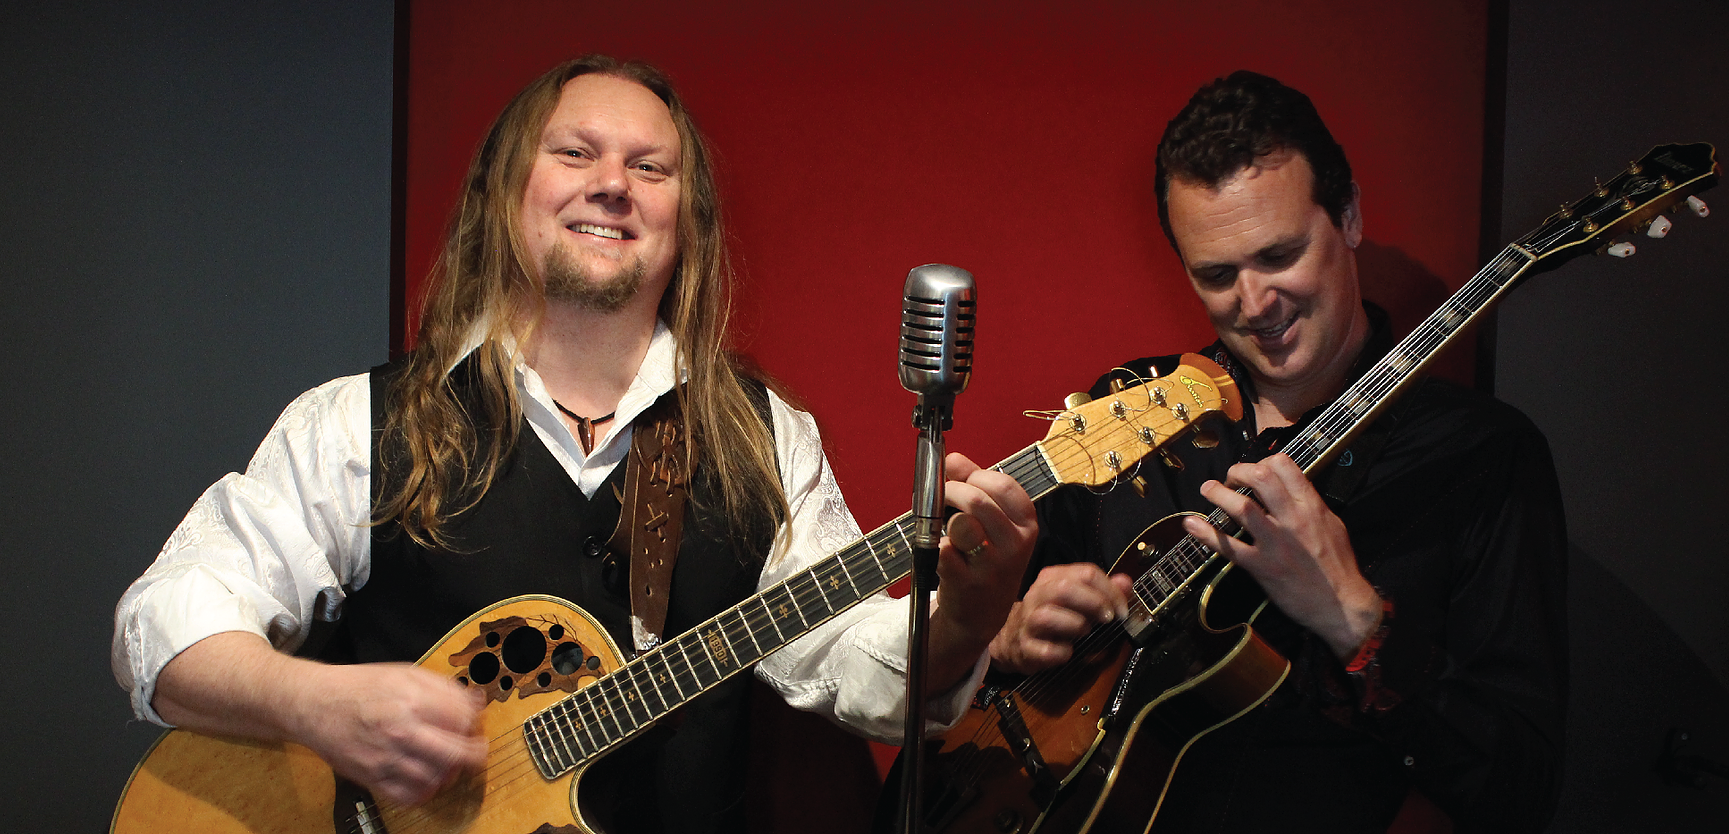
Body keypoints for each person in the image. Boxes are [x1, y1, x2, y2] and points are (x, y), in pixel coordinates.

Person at [112, 55, 1036, 833]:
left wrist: (962, 615)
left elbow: (846, 662)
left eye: (650, 167)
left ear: (686, 222)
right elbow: (163, 628)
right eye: (575, 153)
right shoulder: (355, 423)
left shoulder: (764, 438)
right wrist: (321, 707)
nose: (612, 184)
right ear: (507, 187)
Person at [989, 71, 1566, 832]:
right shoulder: (1132, 411)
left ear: (1349, 215)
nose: (1255, 304)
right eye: (1217, 275)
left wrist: (1354, 618)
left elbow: (1515, 785)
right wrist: (1007, 635)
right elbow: (981, 668)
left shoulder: (1483, 456)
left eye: (1279, 255)